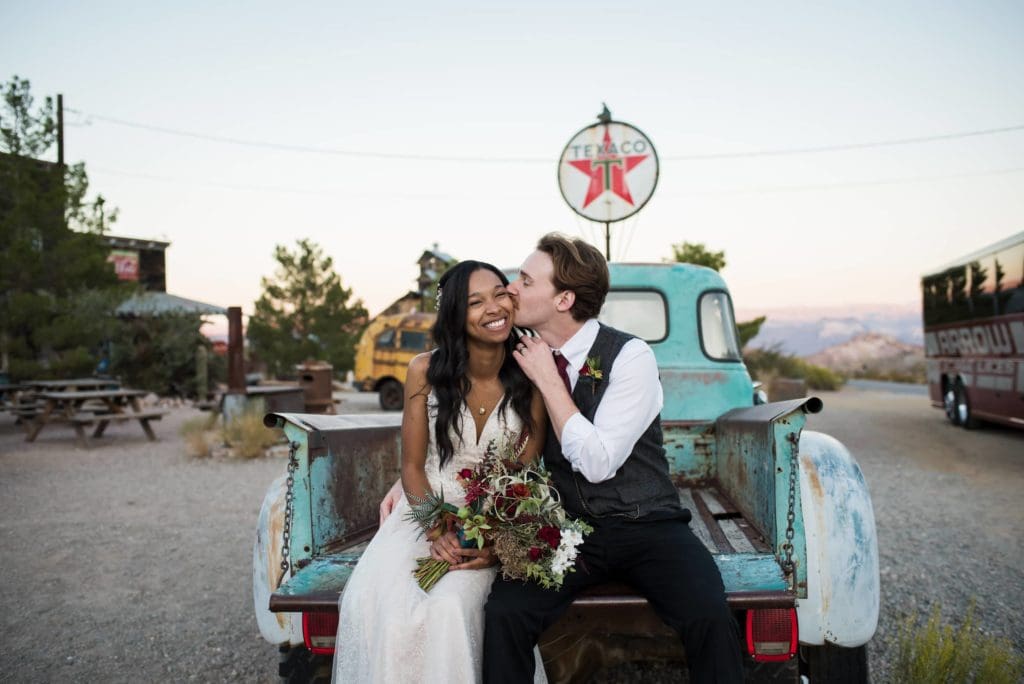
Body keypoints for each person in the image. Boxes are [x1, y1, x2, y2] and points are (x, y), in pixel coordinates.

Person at [474, 233, 745, 683]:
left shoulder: (630, 357)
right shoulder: (518, 353)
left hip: (648, 525)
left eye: (525, 280)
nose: (511, 289)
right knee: (505, 613)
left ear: (563, 299)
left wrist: (550, 381)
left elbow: (598, 463)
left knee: (708, 615)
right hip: (569, 529)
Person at [333, 260, 548, 684]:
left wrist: (491, 537)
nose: (494, 307)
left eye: (500, 293)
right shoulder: (423, 371)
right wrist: (438, 532)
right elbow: (412, 466)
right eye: (475, 301)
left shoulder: (532, 371)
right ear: (454, 315)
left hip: (493, 522)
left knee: (448, 608)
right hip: (425, 512)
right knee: (387, 608)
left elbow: (526, 468)